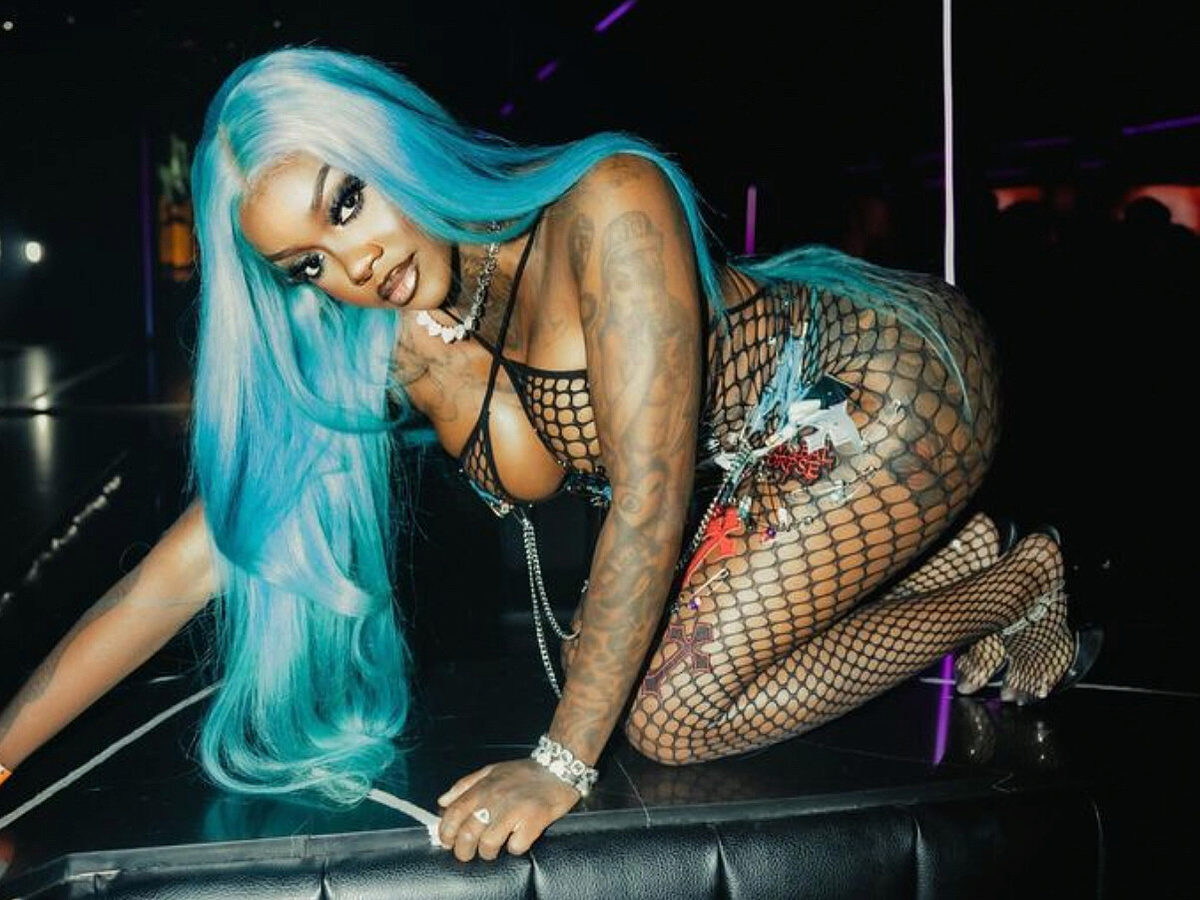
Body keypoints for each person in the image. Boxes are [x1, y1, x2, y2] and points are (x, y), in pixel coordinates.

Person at [0, 46, 1100, 862]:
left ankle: (1017, 580)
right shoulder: (398, 340)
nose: (353, 262)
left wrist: (560, 760)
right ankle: (950, 555)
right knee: (656, 673)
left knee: (669, 719)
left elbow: (652, 499)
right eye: (307, 265)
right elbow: (196, 560)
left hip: (882, 384)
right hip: (782, 462)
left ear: (393, 147)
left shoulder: (603, 205)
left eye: (349, 200)